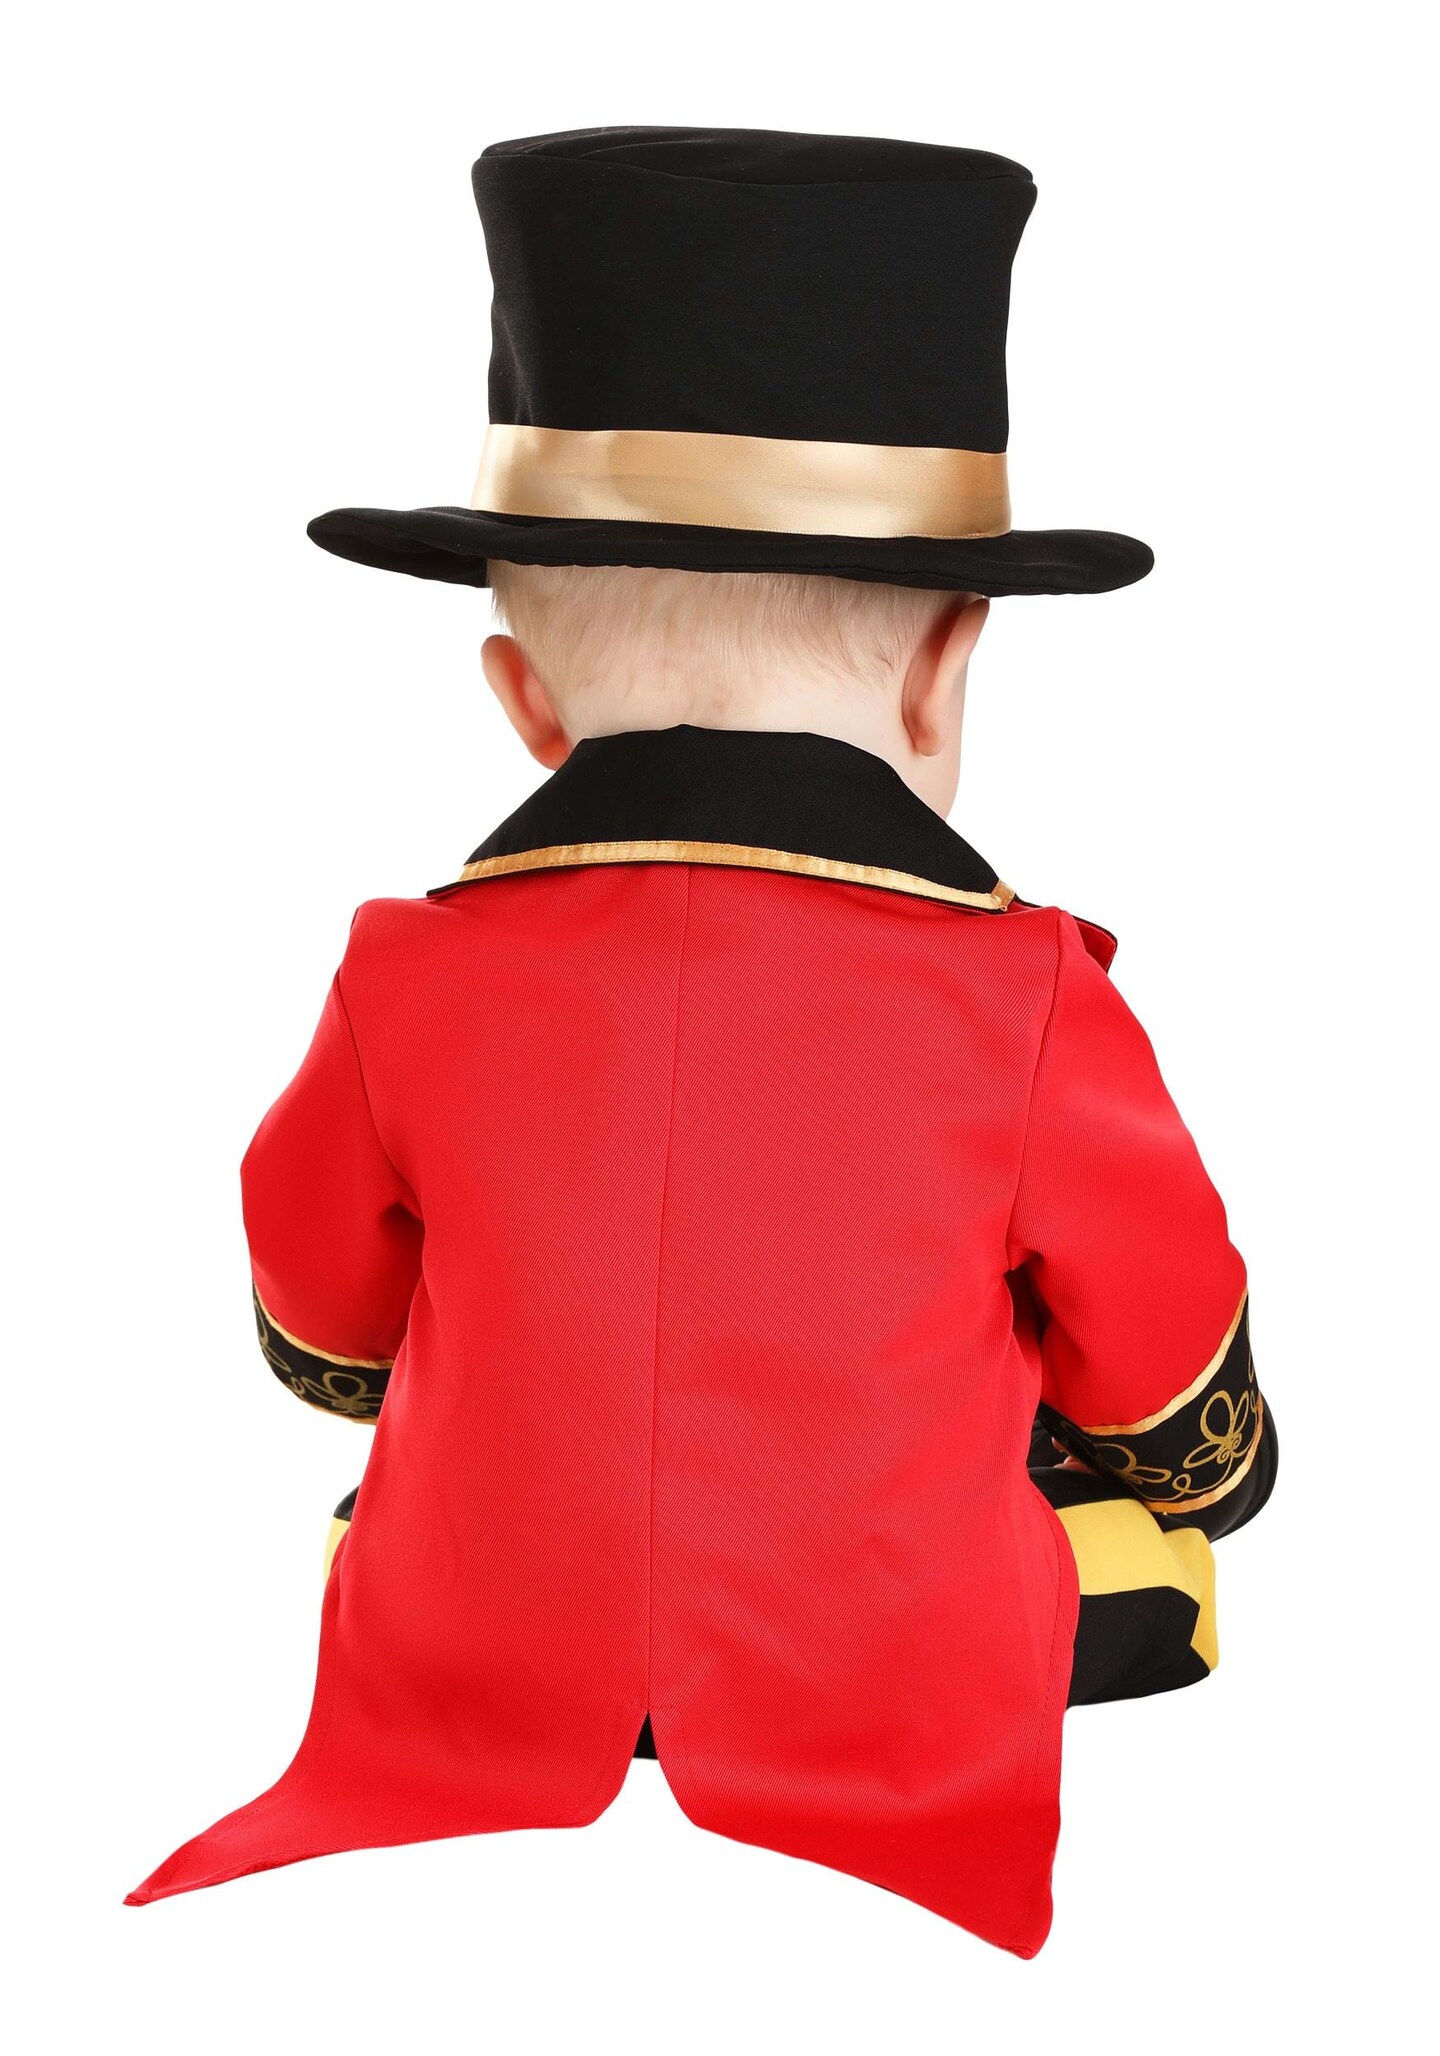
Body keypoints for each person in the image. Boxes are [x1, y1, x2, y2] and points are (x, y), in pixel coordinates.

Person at [128, 126, 1276, 1957]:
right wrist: (1204, 1464)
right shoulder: (1028, 991)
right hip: (870, 1664)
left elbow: (325, 1338)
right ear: (942, 675)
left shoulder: (399, 972)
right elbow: (1166, 1357)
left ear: (523, 699)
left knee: (388, 1510)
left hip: (489, 1641)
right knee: (1166, 1563)